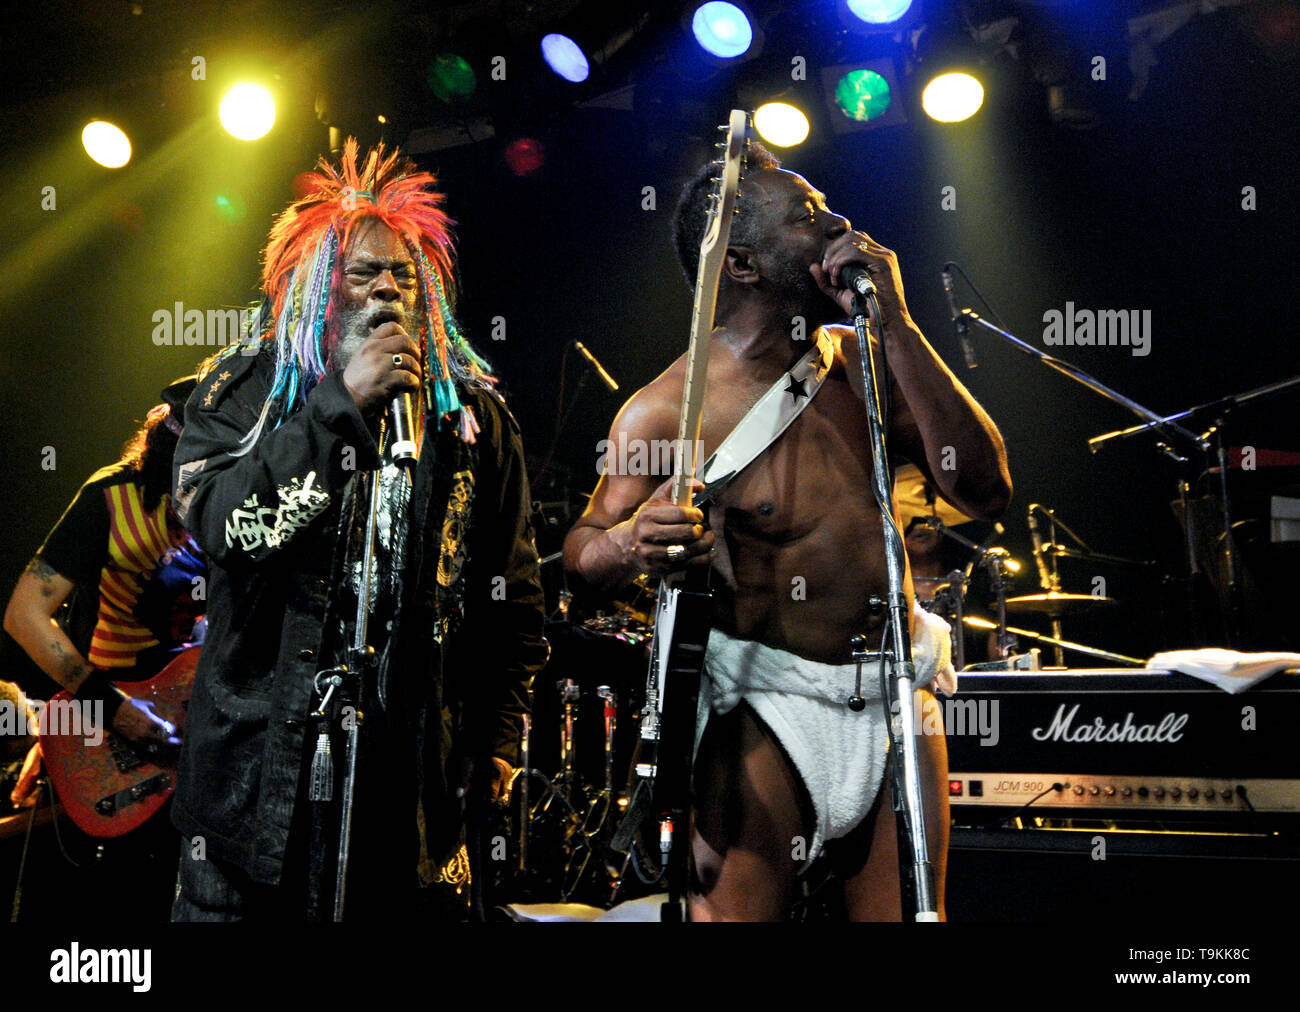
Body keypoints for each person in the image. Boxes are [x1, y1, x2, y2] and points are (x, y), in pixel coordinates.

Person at [563, 145, 1012, 921]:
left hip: (895, 692)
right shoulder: (669, 410)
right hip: (766, 703)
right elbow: (580, 557)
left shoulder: (867, 363)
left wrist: (897, 324)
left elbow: (982, 490)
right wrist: (631, 542)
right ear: (740, 263)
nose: (839, 224)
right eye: (807, 217)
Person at [169, 139, 547, 921]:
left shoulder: (472, 421)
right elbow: (229, 530)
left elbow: (514, 604)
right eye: (362, 274)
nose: (386, 293)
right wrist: (340, 408)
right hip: (252, 802)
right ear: (313, 289)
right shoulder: (246, 393)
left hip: (404, 801)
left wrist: (499, 744)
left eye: (403, 276)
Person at [2, 377, 204, 918]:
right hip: (115, 736)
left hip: (195, 739)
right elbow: (24, 615)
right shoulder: (110, 496)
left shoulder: (227, 498)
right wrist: (111, 711)